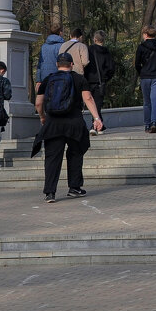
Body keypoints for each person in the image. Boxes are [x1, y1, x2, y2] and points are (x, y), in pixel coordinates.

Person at [36, 51, 103, 202]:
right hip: (74, 123)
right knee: (75, 154)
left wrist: (42, 117)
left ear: (56, 65)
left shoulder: (48, 80)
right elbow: (88, 98)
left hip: (53, 124)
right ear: (72, 65)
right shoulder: (79, 79)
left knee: (52, 157)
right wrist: (96, 118)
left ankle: (50, 193)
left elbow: (38, 103)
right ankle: (74, 187)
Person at [134, 25, 156, 133]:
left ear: (146, 34)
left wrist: (141, 72)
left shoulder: (141, 47)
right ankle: (154, 123)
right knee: (155, 101)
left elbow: (137, 64)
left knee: (147, 102)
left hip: (145, 77)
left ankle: (147, 125)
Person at [87, 31, 116, 135]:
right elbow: (111, 68)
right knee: (98, 103)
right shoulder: (106, 52)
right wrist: (105, 78)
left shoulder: (89, 50)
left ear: (95, 39)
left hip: (89, 80)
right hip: (101, 81)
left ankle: (95, 125)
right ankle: (98, 125)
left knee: (91, 103)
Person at [58, 28, 90, 95]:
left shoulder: (63, 45)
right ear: (80, 37)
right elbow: (85, 62)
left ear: (70, 36)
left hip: (63, 74)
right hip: (77, 74)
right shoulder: (82, 46)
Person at [35, 24, 66, 91]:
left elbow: (40, 64)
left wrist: (38, 80)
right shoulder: (62, 46)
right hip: (57, 76)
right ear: (60, 32)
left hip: (44, 77)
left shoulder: (44, 46)